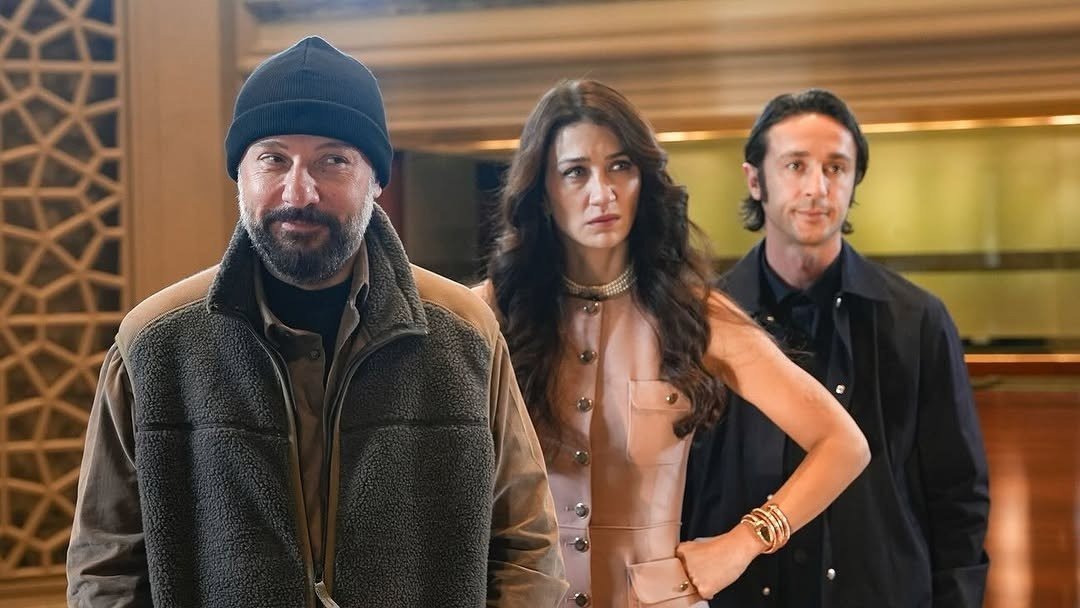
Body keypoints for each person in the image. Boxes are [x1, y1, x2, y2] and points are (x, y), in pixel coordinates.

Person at [66, 36, 568, 607]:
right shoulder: (155, 345)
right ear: (240, 175)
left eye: (333, 160)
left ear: (376, 180)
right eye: (273, 158)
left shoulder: (463, 335)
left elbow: (526, 547)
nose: (299, 192)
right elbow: (106, 568)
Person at [473, 79, 869, 608]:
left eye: (620, 166)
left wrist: (743, 543)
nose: (602, 193)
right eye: (575, 172)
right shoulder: (487, 314)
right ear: (543, 192)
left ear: (644, 177)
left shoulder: (694, 313)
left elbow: (844, 444)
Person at [682, 89, 991, 607]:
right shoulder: (700, 321)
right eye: (795, 165)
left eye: (836, 168)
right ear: (755, 180)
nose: (817, 188)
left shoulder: (918, 319)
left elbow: (958, 493)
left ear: (854, 181)